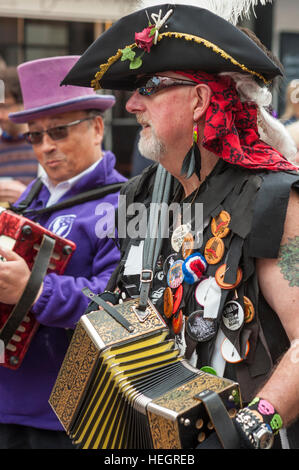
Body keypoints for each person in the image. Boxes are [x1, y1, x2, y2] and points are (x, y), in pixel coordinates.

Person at [59, 0, 299, 449]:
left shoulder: (275, 197)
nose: (131, 104)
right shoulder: (141, 194)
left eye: (149, 86)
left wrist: (249, 428)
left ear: (200, 100)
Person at [0, 55, 126, 449]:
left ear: (97, 128)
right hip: (7, 401)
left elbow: (118, 308)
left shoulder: (124, 204)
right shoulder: (30, 199)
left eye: (59, 131)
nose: (46, 146)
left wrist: (34, 290)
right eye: (35, 136)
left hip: (71, 413)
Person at [0, 67, 38, 204]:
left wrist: (25, 197)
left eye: (5, 107)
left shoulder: (41, 143)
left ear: (23, 104)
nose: (0, 116)